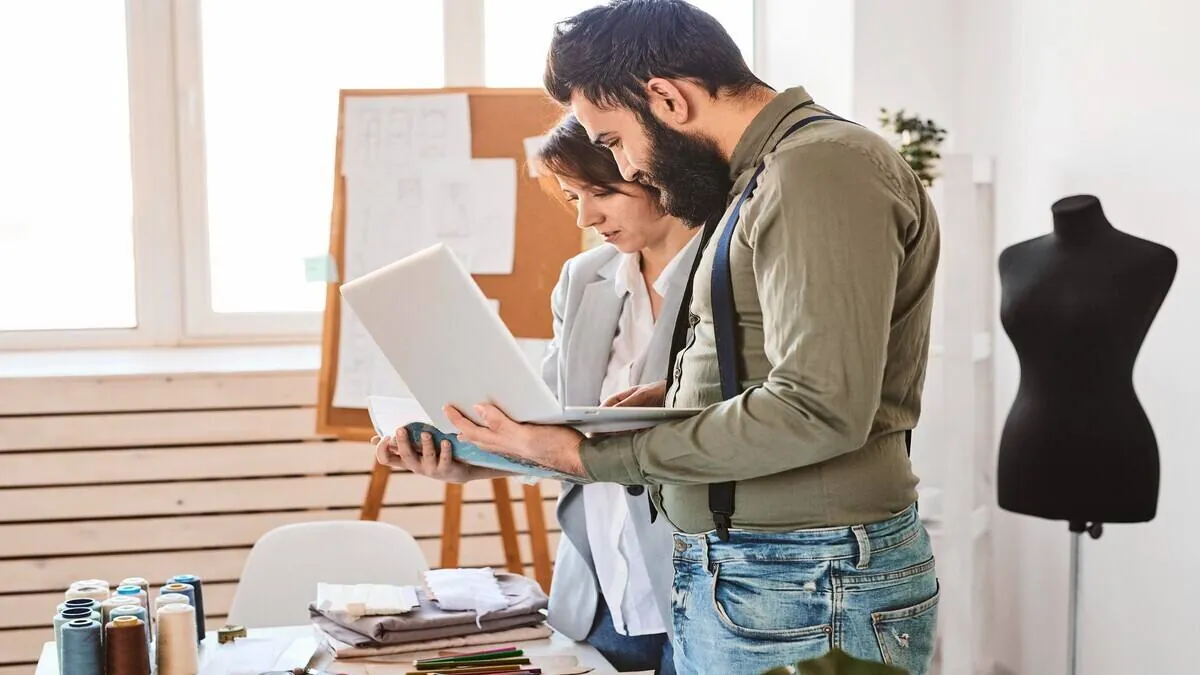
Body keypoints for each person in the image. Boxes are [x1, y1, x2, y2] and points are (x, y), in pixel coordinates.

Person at [438, 1, 943, 674]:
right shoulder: (764, 179)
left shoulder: (818, 169)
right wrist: (676, 395)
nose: (633, 169)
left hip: (803, 576)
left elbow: (819, 407)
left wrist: (602, 459)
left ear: (668, 99)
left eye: (615, 141)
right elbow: (777, 365)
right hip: (772, 572)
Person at [374, 113, 701, 675]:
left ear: (653, 172)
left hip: (695, 582)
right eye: (574, 196)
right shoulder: (583, 278)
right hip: (600, 585)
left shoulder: (725, 270)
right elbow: (554, 427)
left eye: (603, 192)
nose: (585, 215)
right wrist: (468, 464)